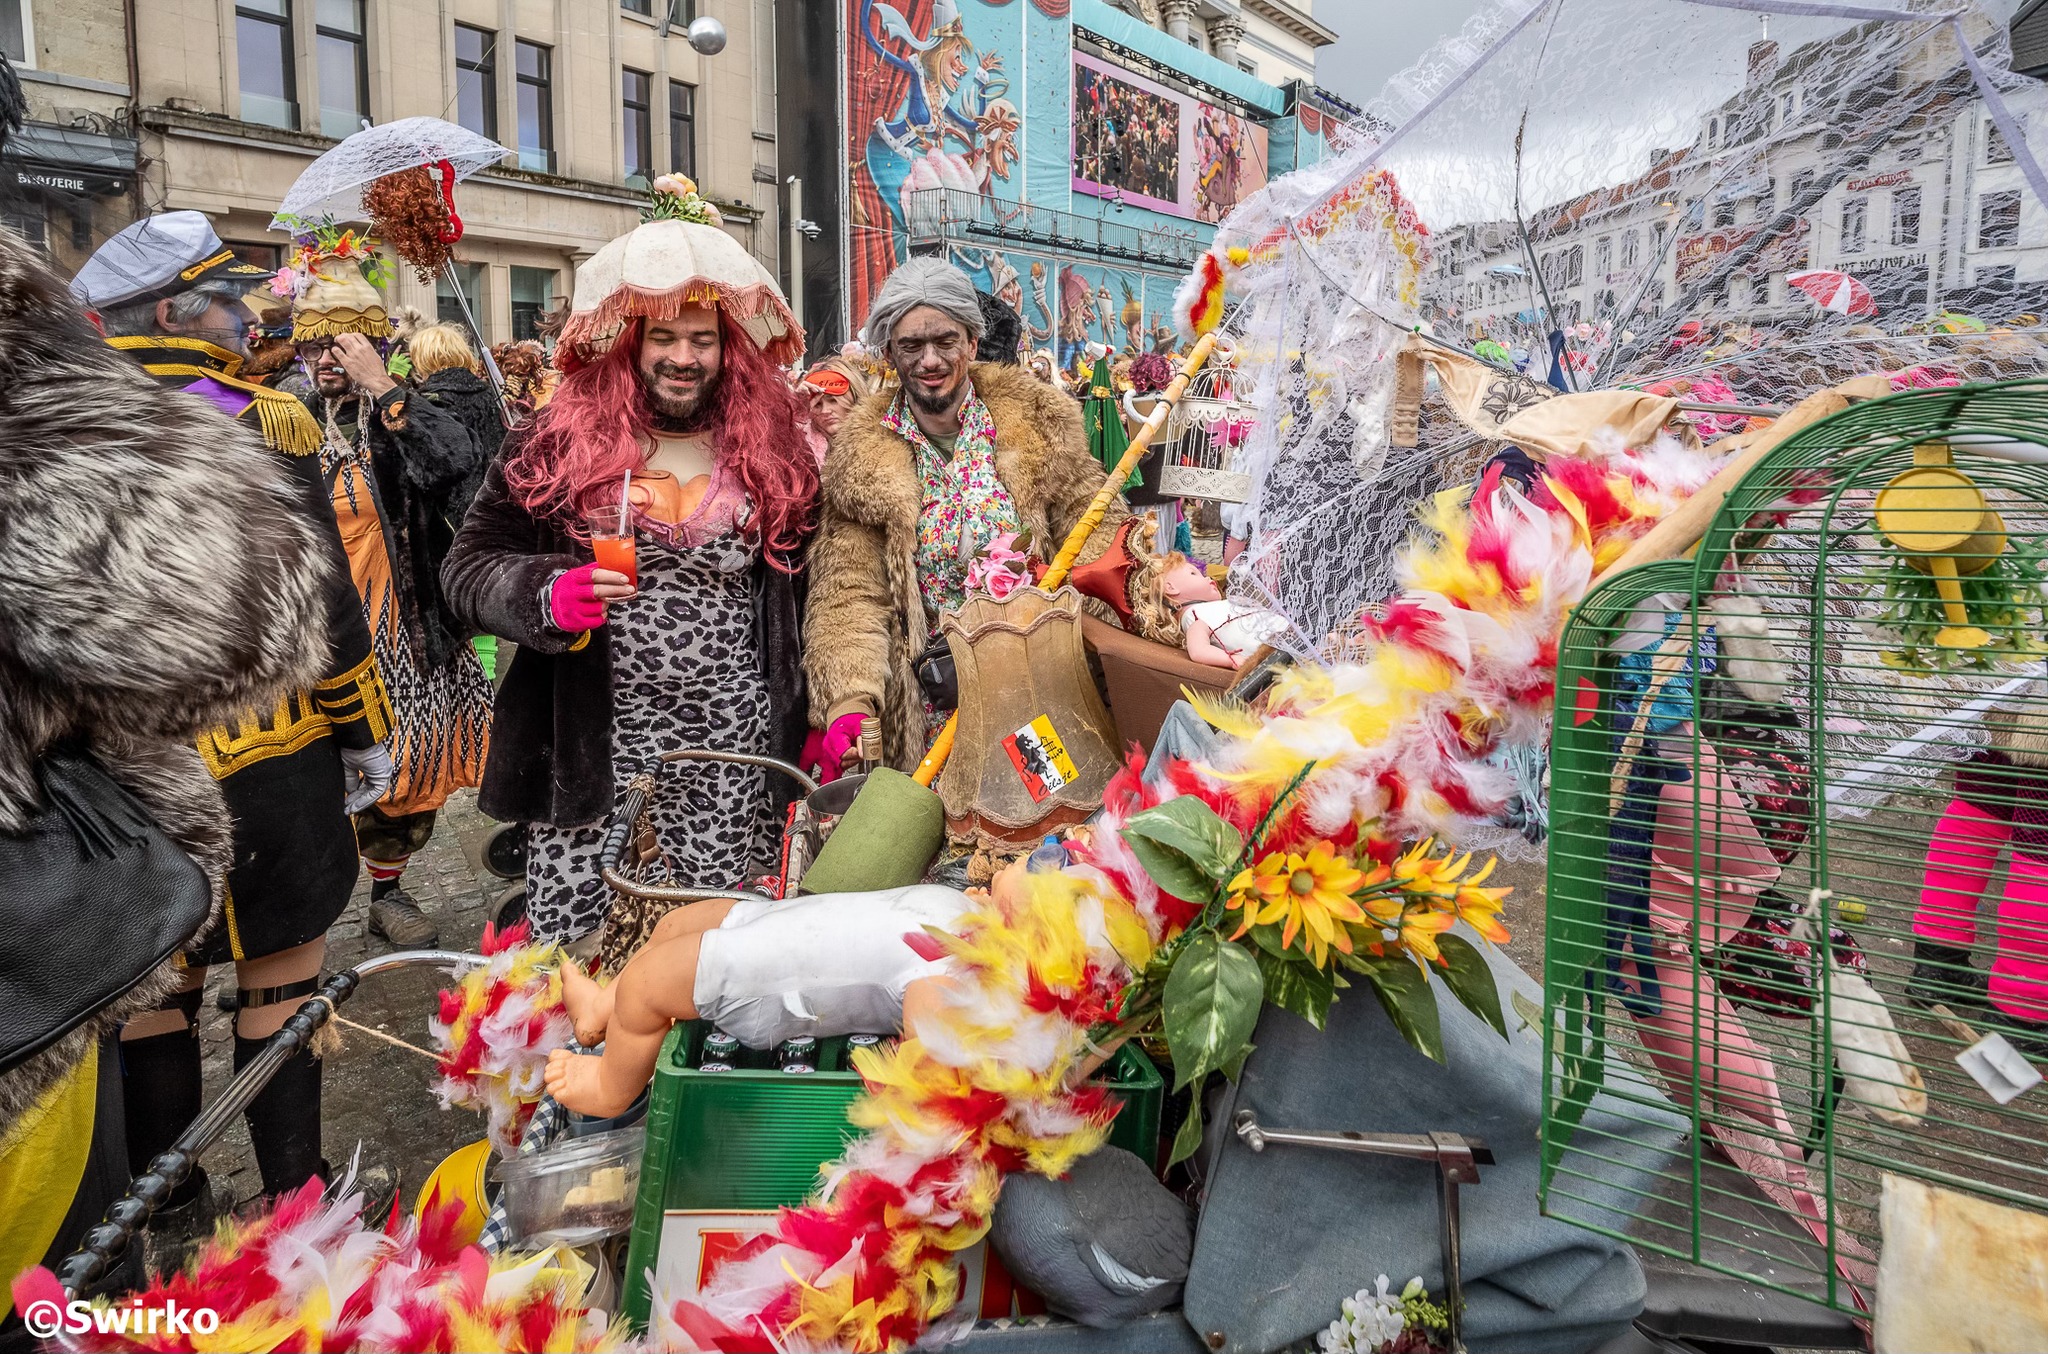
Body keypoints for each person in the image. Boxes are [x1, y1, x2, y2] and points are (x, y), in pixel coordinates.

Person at [72, 211, 396, 1210]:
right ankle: (293, 1197)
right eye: (224, 295)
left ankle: (167, 1194)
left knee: (154, 988)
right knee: (282, 978)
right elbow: (325, 599)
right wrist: (365, 732)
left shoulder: (56, 428)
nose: (242, 313)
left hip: (121, 771)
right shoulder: (263, 420)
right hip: (270, 756)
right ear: (170, 309)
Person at [442, 181, 818, 949]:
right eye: (665, 337)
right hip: (594, 742)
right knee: (578, 938)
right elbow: (466, 568)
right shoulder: (553, 442)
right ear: (630, 343)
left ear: (729, 349)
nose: (684, 357)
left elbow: (812, 597)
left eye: (703, 338)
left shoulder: (771, 451)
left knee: (702, 945)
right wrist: (545, 593)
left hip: (728, 747)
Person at [804, 257, 1133, 776]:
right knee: (947, 847)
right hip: (934, 717)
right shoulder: (862, 458)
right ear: (889, 353)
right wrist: (849, 699)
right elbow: (848, 594)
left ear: (973, 344)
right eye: (911, 346)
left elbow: (1099, 539)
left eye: (945, 341)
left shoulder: (1037, 428)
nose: (930, 359)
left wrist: (1165, 599)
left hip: (1034, 697)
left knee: (1038, 827)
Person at [286, 239, 492, 949]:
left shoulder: (401, 410)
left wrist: (384, 387)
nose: (327, 362)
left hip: (402, 628)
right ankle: (289, 931)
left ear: (373, 347)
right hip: (307, 633)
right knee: (305, 772)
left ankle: (388, 890)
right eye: (315, 348)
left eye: (342, 347)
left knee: (405, 768)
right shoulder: (284, 419)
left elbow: (458, 461)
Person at [798, 356, 876, 441]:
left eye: (833, 400)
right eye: (818, 404)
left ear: (855, 396)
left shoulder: (882, 441)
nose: (825, 411)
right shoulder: (800, 443)